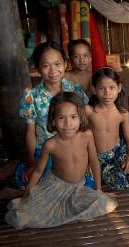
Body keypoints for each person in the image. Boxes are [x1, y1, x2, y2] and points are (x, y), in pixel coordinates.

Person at [5, 92, 117, 229]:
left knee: (105, 203)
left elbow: (94, 162)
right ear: (53, 121)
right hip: (54, 188)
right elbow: (38, 171)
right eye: (61, 118)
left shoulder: (87, 135)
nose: (68, 123)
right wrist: (27, 195)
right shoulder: (50, 145)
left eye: (73, 117)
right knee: (20, 217)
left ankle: (26, 194)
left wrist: (99, 190)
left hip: (77, 187)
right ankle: (22, 193)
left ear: (81, 118)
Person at [16, 41, 89, 190]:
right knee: (33, 182)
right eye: (46, 65)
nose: (53, 70)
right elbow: (30, 132)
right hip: (45, 152)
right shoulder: (31, 96)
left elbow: (86, 122)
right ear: (37, 68)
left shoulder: (75, 89)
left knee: (86, 184)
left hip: (74, 149)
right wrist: (31, 163)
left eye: (57, 64)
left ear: (65, 64)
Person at [85, 67, 129, 191]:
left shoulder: (122, 113)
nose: (107, 93)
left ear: (119, 88)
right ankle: (104, 174)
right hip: (95, 157)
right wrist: (87, 161)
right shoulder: (88, 111)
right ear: (94, 89)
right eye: (102, 88)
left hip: (118, 153)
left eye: (112, 87)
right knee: (87, 184)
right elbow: (82, 138)